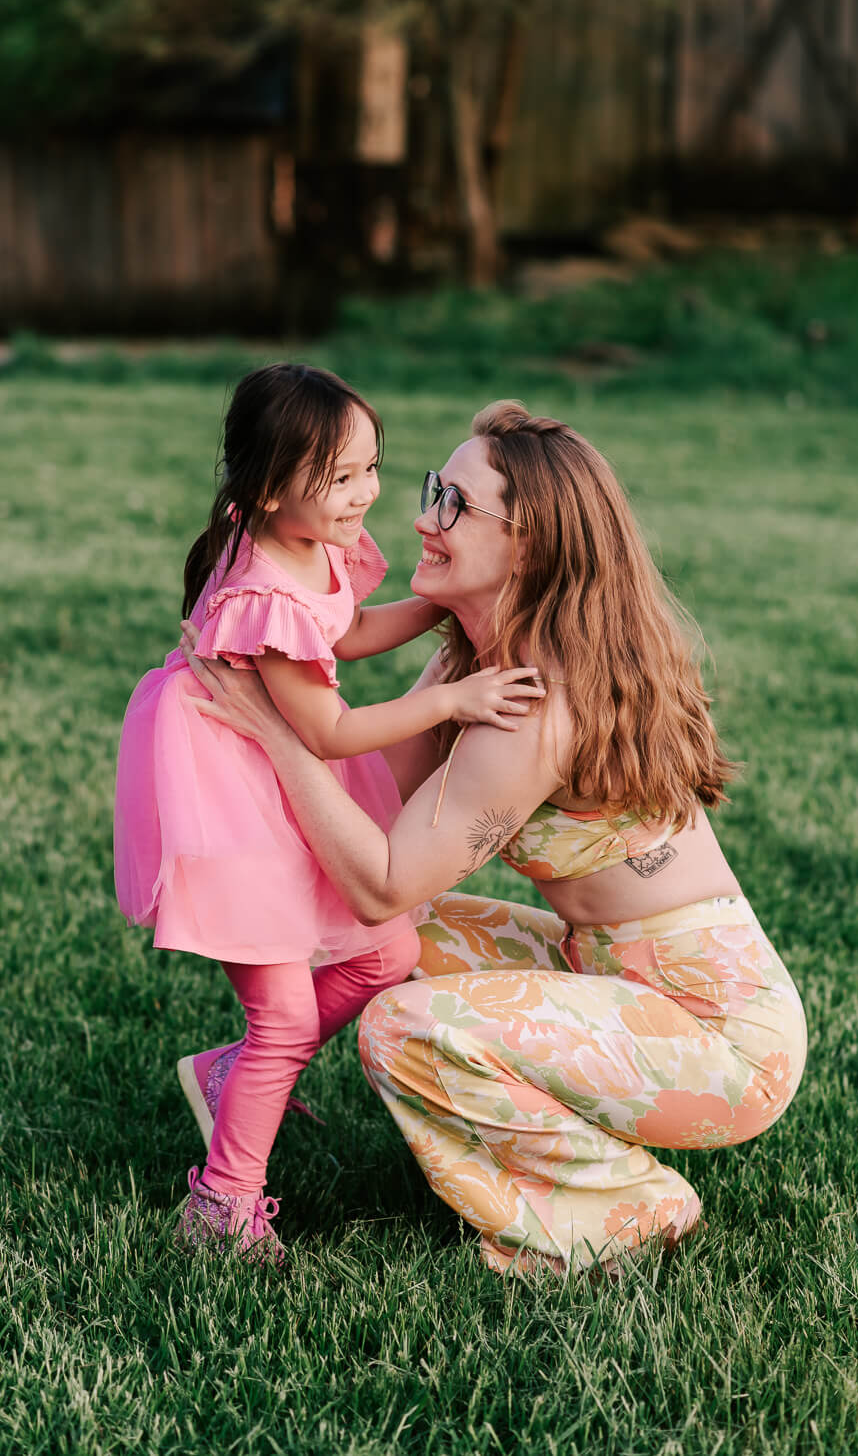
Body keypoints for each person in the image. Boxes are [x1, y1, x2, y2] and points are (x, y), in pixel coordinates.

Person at [179, 401, 807, 1277]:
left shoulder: (540, 703)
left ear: (532, 546)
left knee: (402, 1024)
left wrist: (279, 735)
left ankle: (627, 1204)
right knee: (397, 941)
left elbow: (379, 878)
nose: (419, 518)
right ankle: (239, 1073)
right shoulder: (477, 656)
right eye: (435, 489)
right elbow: (378, 823)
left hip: (721, 1041)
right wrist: (282, 682)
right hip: (607, 970)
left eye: (453, 505)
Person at [114, 367, 543, 1264]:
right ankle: (222, 1205)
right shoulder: (264, 593)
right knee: (283, 1019)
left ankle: (229, 1075)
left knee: (386, 951)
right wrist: (450, 702)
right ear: (272, 492)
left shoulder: (305, 539)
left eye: (371, 468)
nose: (369, 494)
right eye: (344, 479)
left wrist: (440, 601)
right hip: (236, 802)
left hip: (278, 785)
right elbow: (331, 728)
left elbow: (341, 634)